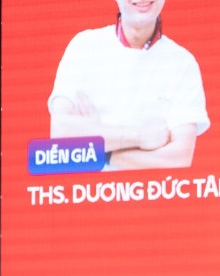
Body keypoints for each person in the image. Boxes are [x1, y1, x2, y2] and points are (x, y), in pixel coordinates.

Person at [48, 0, 210, 171]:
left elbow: (178, 159)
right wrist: (139, 136)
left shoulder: (182, 63)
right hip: (88, 187)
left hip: (147, 187)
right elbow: (61, 134)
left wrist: (102, 149)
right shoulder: (84, 46)